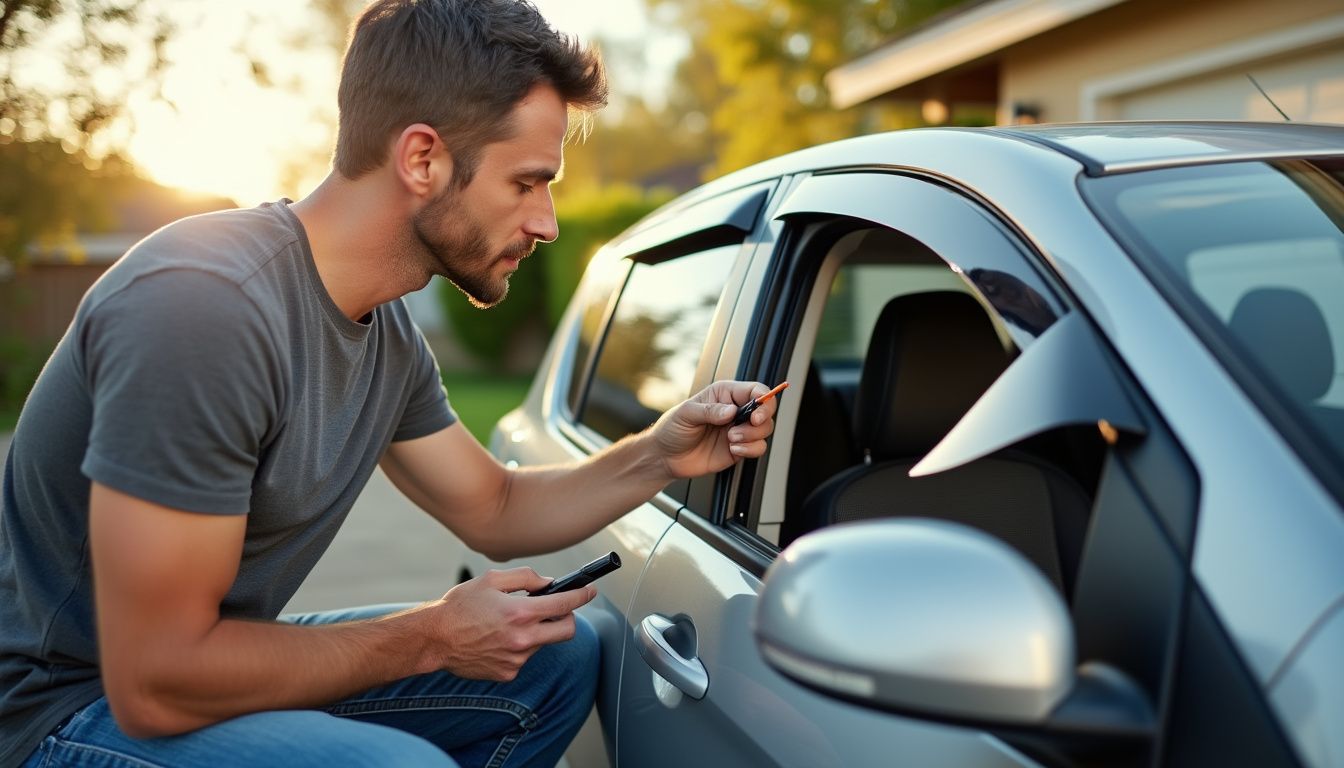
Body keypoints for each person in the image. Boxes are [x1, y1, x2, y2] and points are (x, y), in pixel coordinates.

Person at [0, 1, 778, 766]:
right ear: (422, 159)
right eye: (528, 183)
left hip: (180, 677)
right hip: (64, 713)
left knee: (555, 658)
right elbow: (156, 684)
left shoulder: (386, 333)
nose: (547, 223)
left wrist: (661, 454)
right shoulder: (205, 308)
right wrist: (432, 635)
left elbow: (496, 505)